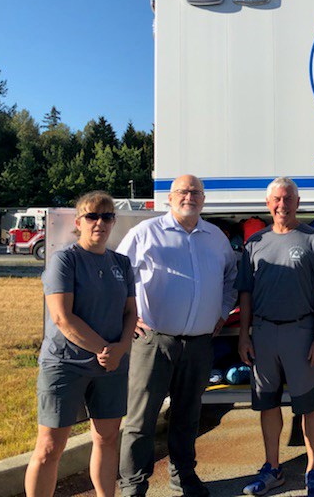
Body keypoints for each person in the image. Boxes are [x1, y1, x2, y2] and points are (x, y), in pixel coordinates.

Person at [117, 175, 237, 497]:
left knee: (187, 415)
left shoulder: (215, 237)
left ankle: (183, 476)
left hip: (199, 345)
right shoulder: (145, 233)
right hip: (153, 342)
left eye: (196, 192)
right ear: (169, 198)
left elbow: (231, 278)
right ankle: (133, 485)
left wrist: (223, 312)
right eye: (182, 191)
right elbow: (118, 275)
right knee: (140, 420)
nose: (189, 196)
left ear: (204, 199)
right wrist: (127, 316)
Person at [25, 191, 137, 497]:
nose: (100, 222)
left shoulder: (121, 263)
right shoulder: (65, 260)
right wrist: (106, 350)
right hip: (66, 364)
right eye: (92, 216)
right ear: (79, 222)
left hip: (110, 366)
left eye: (107, 216)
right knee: (49, 447)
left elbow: (131, 313)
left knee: (107, 438)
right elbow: (62, 317)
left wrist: (120, 349)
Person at [237, 177, 314, 497]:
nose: (282, 205)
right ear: (268, 204)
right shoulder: (255, 243)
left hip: (302, 331)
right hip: (264, 333)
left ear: (298, 202)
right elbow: (246, 295)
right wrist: (243, 336)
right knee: (267, 405)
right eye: (276, 200)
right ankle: (272, 468)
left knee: (308, 405)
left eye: (288, 199)